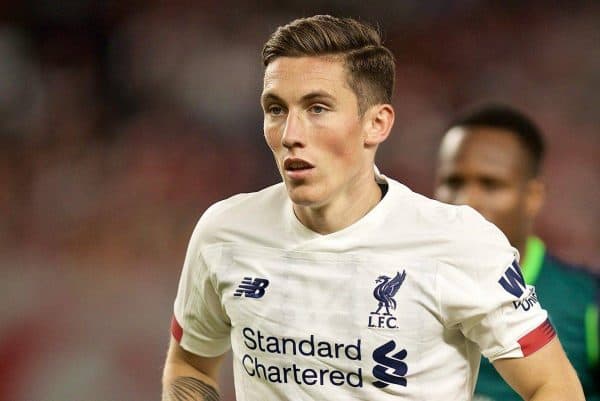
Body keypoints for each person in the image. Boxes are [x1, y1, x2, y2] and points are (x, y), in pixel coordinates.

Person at [162, 15, 585, 401]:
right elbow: (191, 364)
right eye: (276, 109)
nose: (290, 133)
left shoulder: (459, 242)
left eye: (317, 108)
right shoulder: (225, 231)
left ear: (376, 124)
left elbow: (553, 385)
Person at [434, 103, 599, 401]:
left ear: (533, 196)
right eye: (453, 182)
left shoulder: (588, 305)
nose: (465, 202)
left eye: (490, 184)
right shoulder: (402, 285)